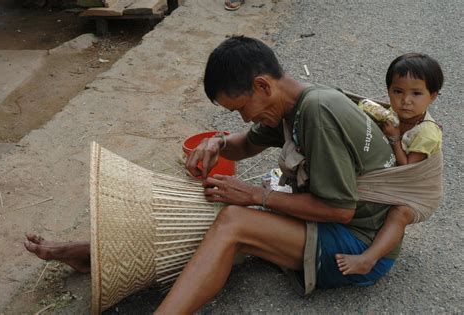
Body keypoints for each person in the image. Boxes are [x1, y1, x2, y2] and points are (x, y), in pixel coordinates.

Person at [26, 36, 406, 314]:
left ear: (262, 85)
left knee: (233, 221)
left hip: (358, 247)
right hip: (336, 228)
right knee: (216, 205)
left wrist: (255, 197)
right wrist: (219, 143)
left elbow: (340, 210)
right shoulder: (294, 103)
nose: (244, 118)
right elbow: (248, 143)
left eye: (242, 107)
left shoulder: (318, 114)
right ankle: (94, 255)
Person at [335, 53, 444, 275]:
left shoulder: (426, 133)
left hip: (417, 192)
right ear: (389, 91)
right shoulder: (396, 114)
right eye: (398, 92)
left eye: (416, 93)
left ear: (432, 96)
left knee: (399, 213)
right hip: (398, 177)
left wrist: (394, 138)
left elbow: (407, 170)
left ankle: (369, 259)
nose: (406, 100)